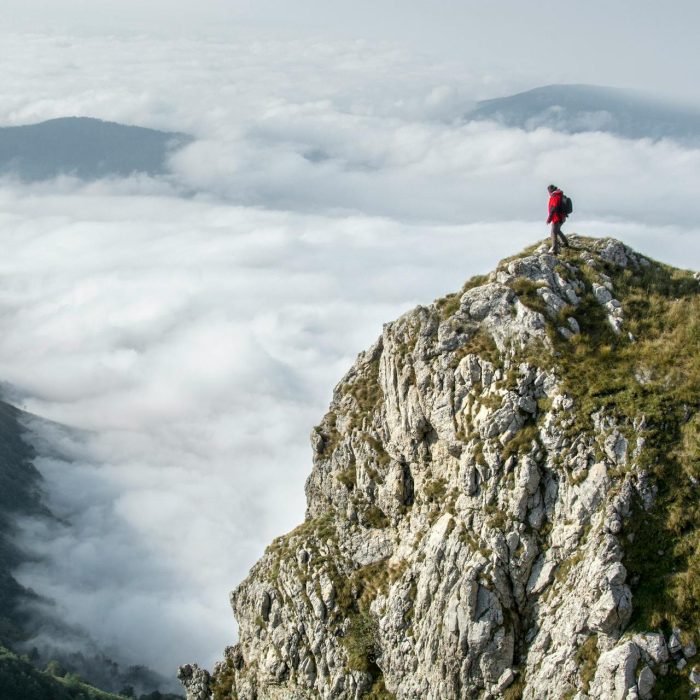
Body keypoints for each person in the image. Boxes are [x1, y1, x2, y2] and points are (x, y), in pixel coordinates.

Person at [546, 184, 570, 254]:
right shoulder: (560, 194)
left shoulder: (555, 196)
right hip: (563, 217)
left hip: (557, 218)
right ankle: (565, 243)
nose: (549, 193)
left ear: (550, 190)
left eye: (549, 191)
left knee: (553, 233)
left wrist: (549, 219)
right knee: (557, 230)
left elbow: (553, 208)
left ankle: (554, 250)